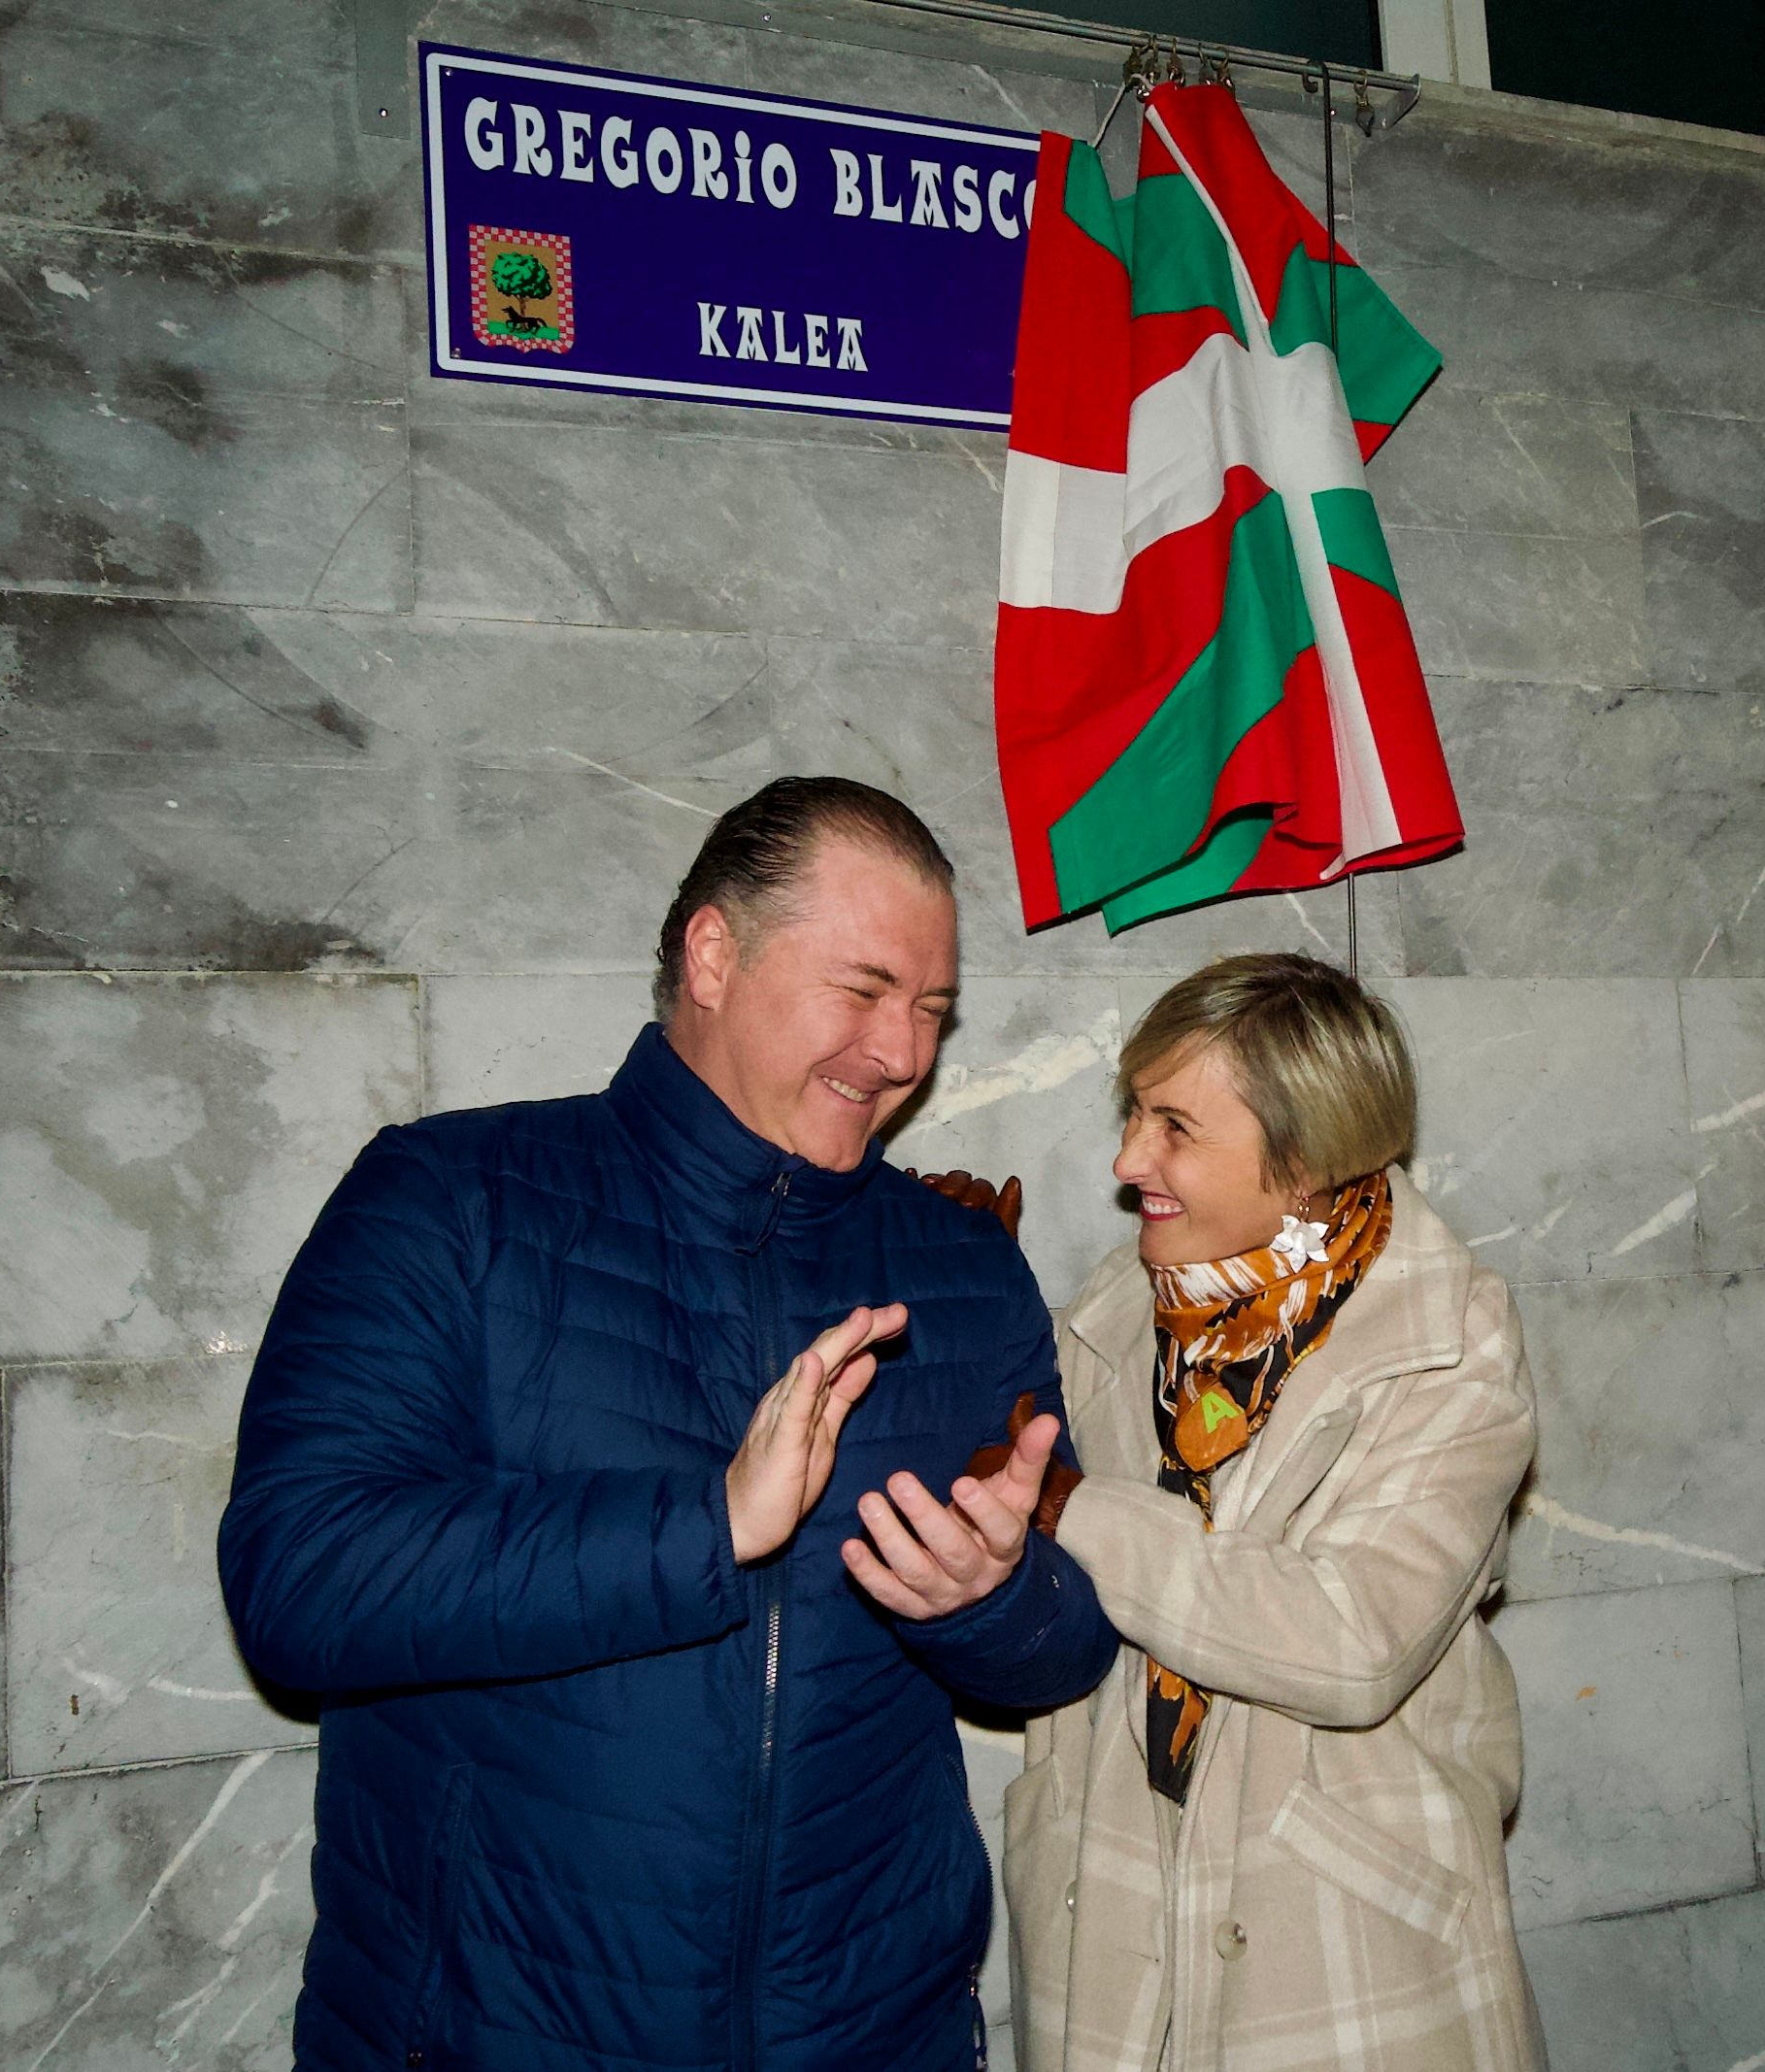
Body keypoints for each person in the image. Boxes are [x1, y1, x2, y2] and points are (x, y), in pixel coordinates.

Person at [217, 778, 1117, 2070]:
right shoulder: (453, 1199)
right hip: (494, 2035)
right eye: (863, 990)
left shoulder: (963, 1268)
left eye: (930, 1008)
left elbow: (1066, 1644)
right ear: (712, 955)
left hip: (874, 2034)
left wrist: (989, 1597)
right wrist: (708, 1524)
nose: (902, 1052)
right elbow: (300, 1581)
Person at [1004, 953, 1543, 2072]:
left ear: (1301, 1167)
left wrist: (1080, 1512)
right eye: (1133, 1112)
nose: (1127, 1159)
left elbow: (1351, 1642)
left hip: (1334, 1942)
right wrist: (954, 1279)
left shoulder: (1446, 1345)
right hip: (1116, 1914)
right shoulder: (1118, 1308)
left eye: (1174, 1127)